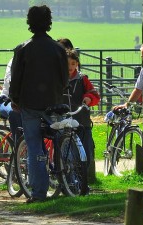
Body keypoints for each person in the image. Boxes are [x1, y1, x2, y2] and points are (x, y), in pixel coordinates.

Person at [10, 5, 68, 203]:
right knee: (60, 140)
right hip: (54, 103)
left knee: (34, 145)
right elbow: (65, 79)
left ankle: (39, 192)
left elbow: (15, 80)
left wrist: (15, 100)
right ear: (49, 21)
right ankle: (69, 181)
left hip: (30, 105)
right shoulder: (59, 49)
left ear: (29, 22)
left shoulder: (23, 49)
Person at [64, 48, 99, 194]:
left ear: (77, 64)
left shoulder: (82, 79)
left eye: (73, 63)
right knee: (68, 155)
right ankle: (70, 183)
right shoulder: (58, 79)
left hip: (82, 121)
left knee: (86, 155)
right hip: (65, 121)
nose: (70, 67)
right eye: (67, 64)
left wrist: (88, 98)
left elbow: (94, 94)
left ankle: (82, 182)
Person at [0, 58, 22, 139]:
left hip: (26, 102)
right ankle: (18, 147)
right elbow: (10, 81)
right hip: (6, 100)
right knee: (14, 112)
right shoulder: (15, 61)